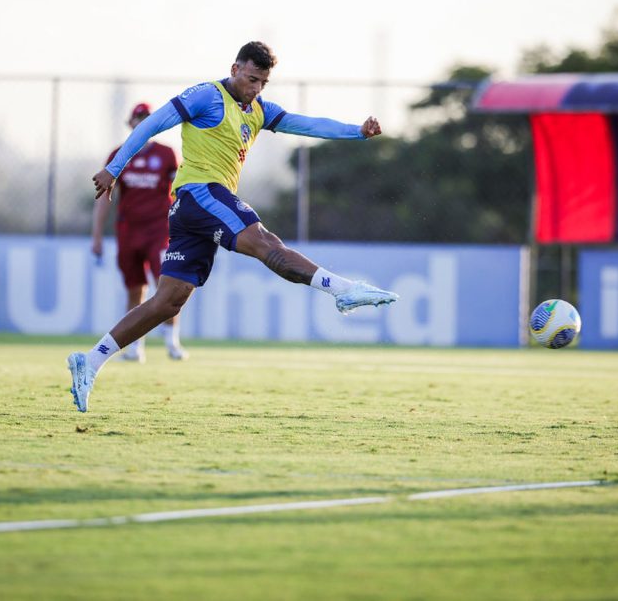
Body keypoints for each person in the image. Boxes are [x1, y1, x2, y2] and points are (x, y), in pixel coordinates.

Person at [67, 41, 397, 412]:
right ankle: (342, 289)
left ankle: (90, 361)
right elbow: (154, 123)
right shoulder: (207, 96)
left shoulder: (258, 110)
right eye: (252, 78)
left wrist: (357, 131)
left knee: (168, 301)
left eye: (263, 83)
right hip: (201, 193)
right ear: (236, 68)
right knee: (265, 243)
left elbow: (305, 125)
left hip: (190, 211)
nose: (256, 88)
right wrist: (115, 168)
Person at [92, 102, 186, 362]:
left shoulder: (167, 154)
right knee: (135, 289)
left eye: (148, 119)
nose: (143, 122)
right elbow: (103, 197)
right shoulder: (118, 155)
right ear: (130, 123)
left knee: (166, 286)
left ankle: (172, 342)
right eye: (139, 118)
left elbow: (182, 190)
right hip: (129, 231)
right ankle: (135, 347)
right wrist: (97, 236)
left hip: (159, 230)